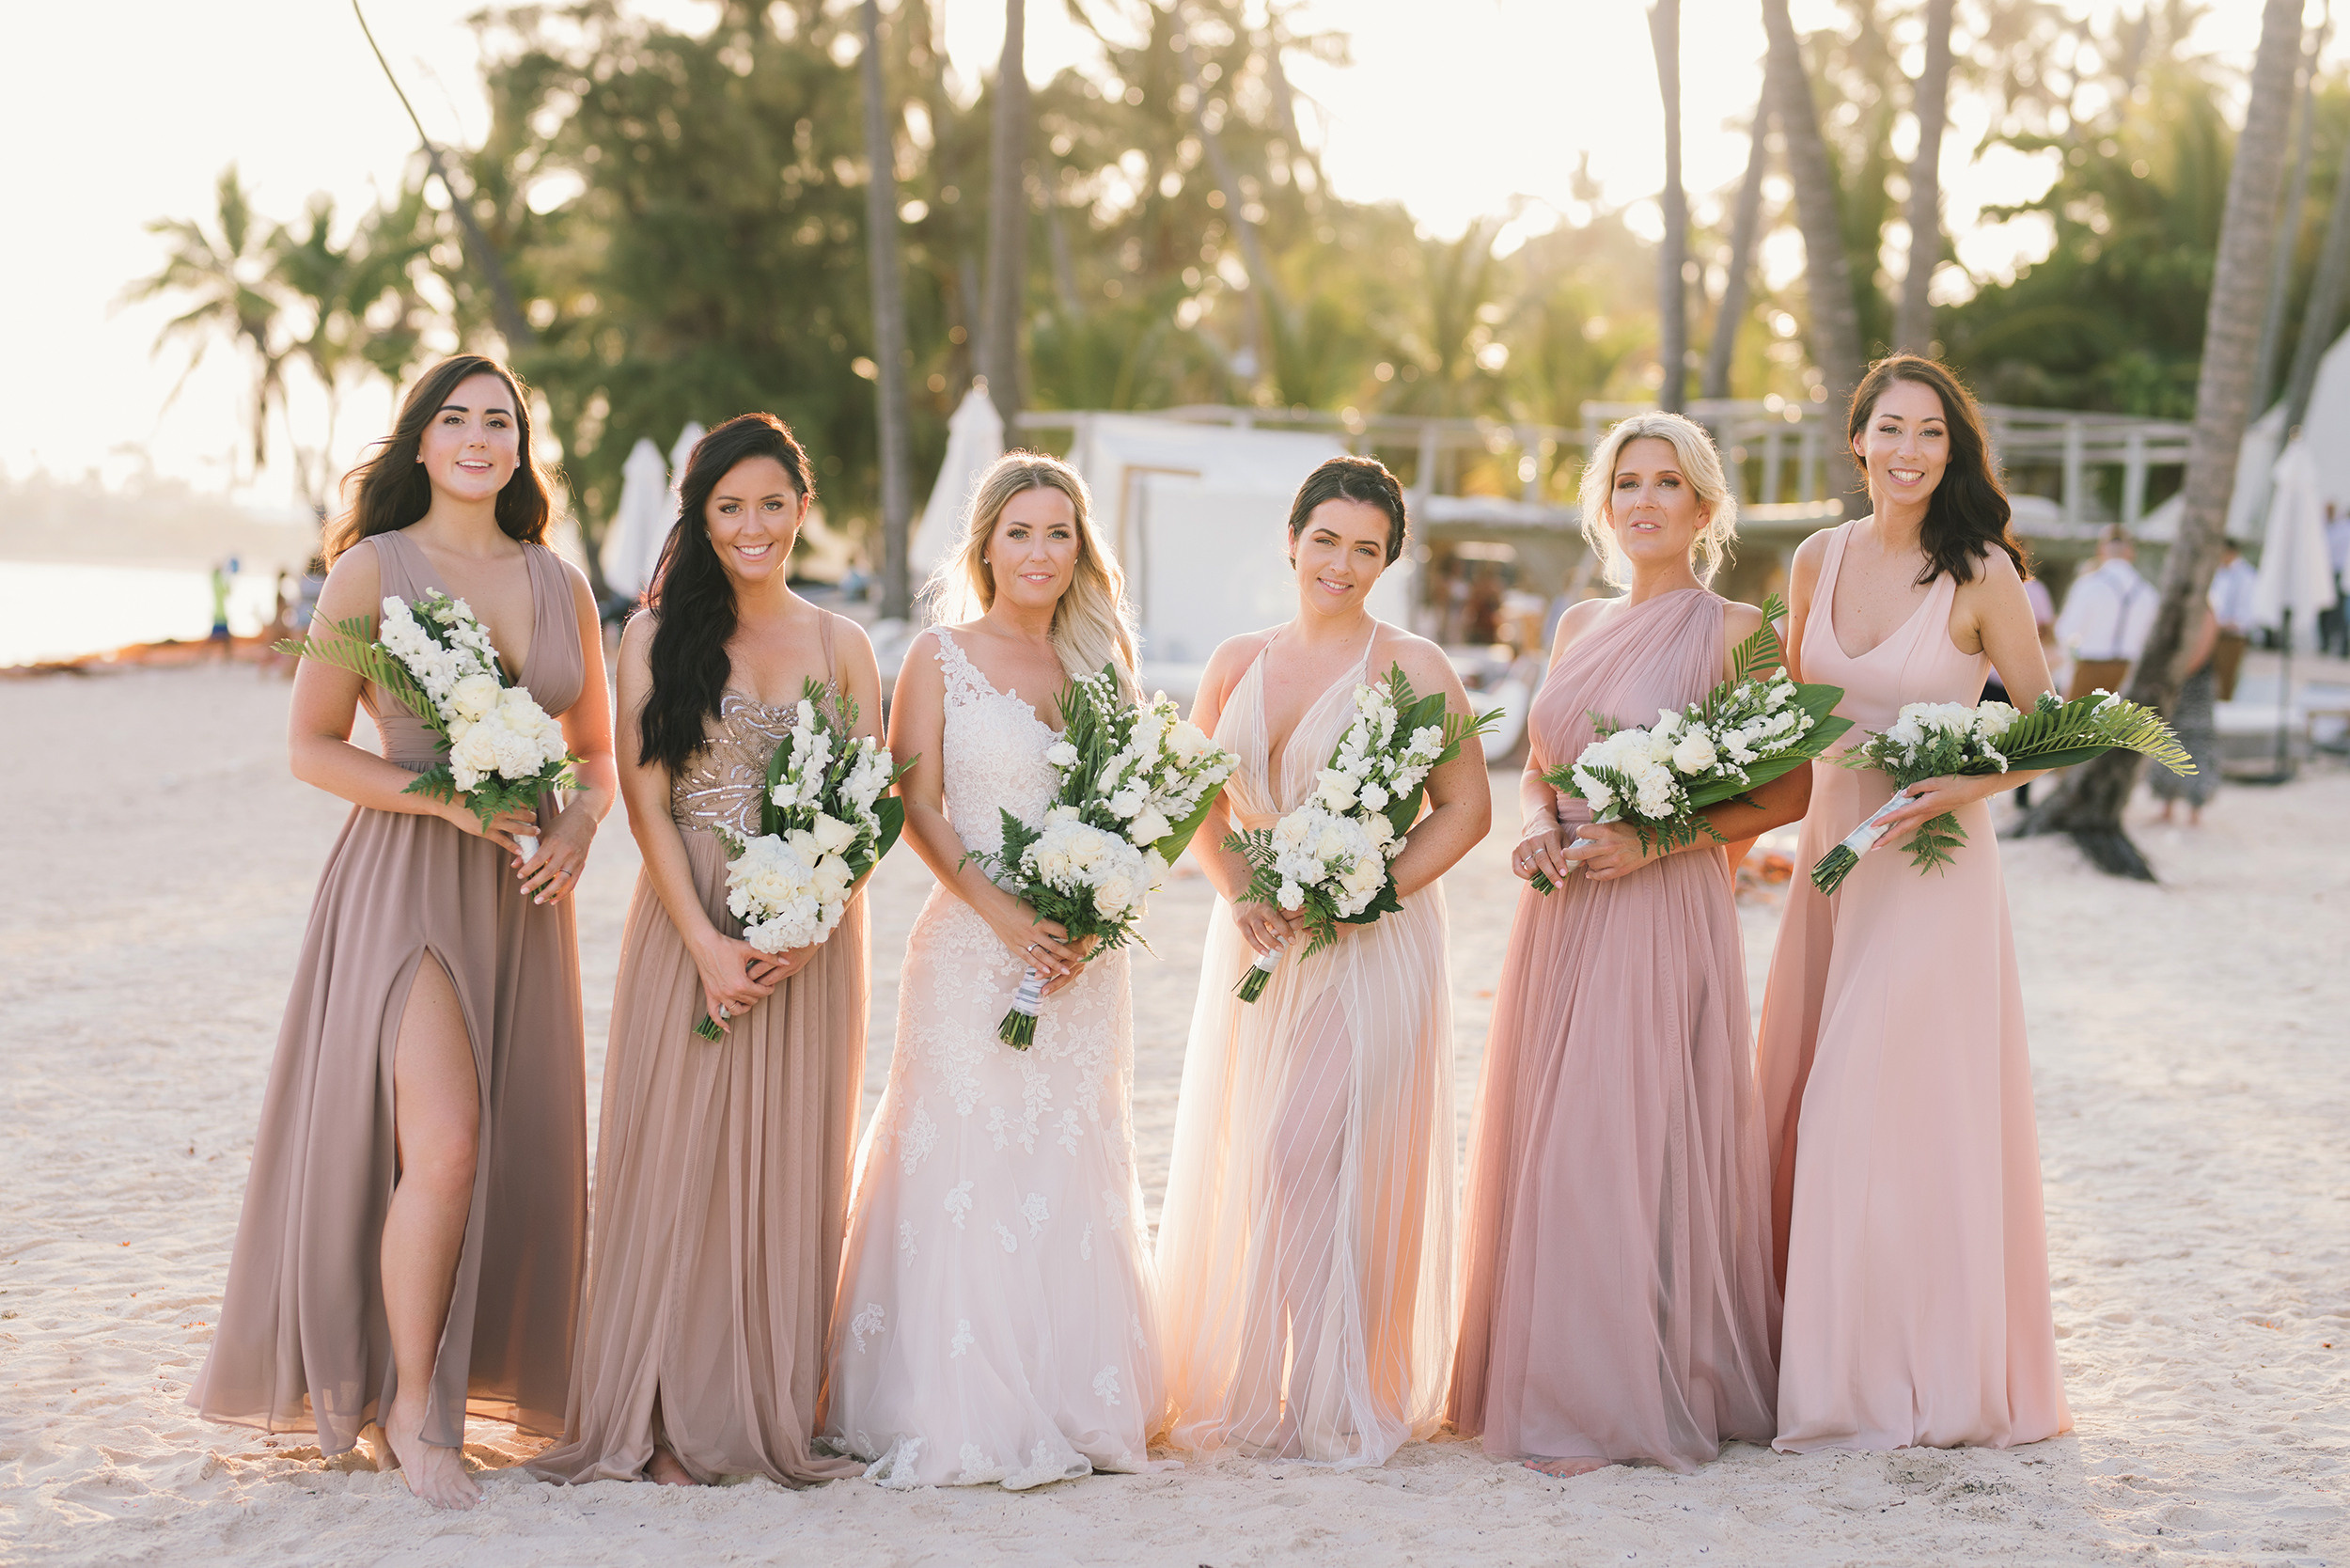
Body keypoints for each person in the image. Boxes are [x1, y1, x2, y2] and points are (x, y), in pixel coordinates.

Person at [191, 355, 615, 1509]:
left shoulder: (559, 579)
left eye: (501, 422)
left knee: (497, 1144)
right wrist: (438, 798)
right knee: (447, 1145)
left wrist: (577, 826)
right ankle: (412, 1409)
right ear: (420, 443)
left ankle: (426, 1386)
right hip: (407, 877)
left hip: (524, 893)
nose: (479, 438)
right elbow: (312, 745)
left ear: (520, 449)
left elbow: (597, 750)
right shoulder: (370, 570)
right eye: (456, 419)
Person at [529, 416, 881, 1489]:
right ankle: (668, 1417)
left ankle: (756, 1411)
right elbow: (641, 804)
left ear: (802, 510)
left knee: (783, 1169)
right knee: (677, 1159)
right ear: (701, 516)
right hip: (690, 918)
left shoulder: (843, 644)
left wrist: (808, 926)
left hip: (811, 943)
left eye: (772, 504)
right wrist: (707, 943)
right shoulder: (652, 637)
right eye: (729, 507)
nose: (753, 526)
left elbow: (866, 808)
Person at [1449, 412, 1797, 1477]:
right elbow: (1542, 766)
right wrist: (1529, 831)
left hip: (1660, 904)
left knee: (1636, 1130)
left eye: (1668, 482)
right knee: (1557, 1133)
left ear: (1702, 505)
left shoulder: (1737, 628)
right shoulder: (1575, 627)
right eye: (1626, 483)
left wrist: (1658, 839)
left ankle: (1644, 1379)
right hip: (1560, 912)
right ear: (1605, 506)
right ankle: (1559, 1370)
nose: (1645, 500)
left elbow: (1791, 785)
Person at [822, 452, 1165, 1490]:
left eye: (1058, 533)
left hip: (1078, 963)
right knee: (964, 1148)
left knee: (1067, 1143)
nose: (1039, 552)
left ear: (1080, 550)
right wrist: (1006, 912)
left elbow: (1135, 816)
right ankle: (948, 1397)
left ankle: (1071, 1393)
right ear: (984, 547)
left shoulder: (1105, 667)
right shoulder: (938, 655)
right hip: (973, 945)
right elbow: (916, 805)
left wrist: (1092, 922)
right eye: (1019, 532)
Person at [1754, 355, 2070, 1452]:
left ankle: (1893, 1384)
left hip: (1933, 859)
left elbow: (2054, 726)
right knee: (1812, 1092)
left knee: (1882, 1102)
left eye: (1929, 433)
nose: (1906, 451)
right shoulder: (1812, 559)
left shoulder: (1981, 573)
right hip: (1830, 860)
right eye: (1888, 429)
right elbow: (1792, 719)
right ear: (1856, 442)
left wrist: (1968, 780)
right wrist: (1731, 827)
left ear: (1953, 449)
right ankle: (1823, 1365)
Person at [1155, 458, 1487, 1468]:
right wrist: (1240, 890)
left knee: (1306, 1154)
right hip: (1259, 945)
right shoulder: (1232, 662)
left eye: (1366, 550)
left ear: (1388, 563)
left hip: (1366, 949)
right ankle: (1278, 1384)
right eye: (1326, 540)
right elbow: (1200, 808)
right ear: (1291, 540)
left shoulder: (1416, 667)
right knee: (1267, 1160)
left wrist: (1368, 893)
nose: (1341, 563)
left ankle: (1326, 1393)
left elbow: (1466, 810)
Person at [2055, 524, 2154, 698]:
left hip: (2090, 667)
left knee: (2078, 724)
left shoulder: (2089, 584)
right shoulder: (2148, 592)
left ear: (2101, 550)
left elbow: (2065, 631)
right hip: (2128, 672)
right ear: (2131, 553)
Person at [2150, 602, 2223, 826]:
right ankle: (2167, 804)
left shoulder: (2207, 613)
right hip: (2174, 681)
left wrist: (2176, 674)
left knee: (2196, 743)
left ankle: (2194, 809)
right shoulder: (2177, 609)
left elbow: (2201, 653)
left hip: (2195, 684)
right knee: (2166, 739)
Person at [2208, 539, 2257, 700]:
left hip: (2233, 635)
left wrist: (2232, 623)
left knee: (2226, 679)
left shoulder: (2246, 575)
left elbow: (2247, 608)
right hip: (2214, 631)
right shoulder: (2219, 573)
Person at [2324, 503, 2350, 658]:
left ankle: (2339, 646)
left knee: (2339, 613)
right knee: (2339, 613)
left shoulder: (2339, 529)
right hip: (2339, 575)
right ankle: (2341, 647)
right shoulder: (2338, 529)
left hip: (2339, 574)